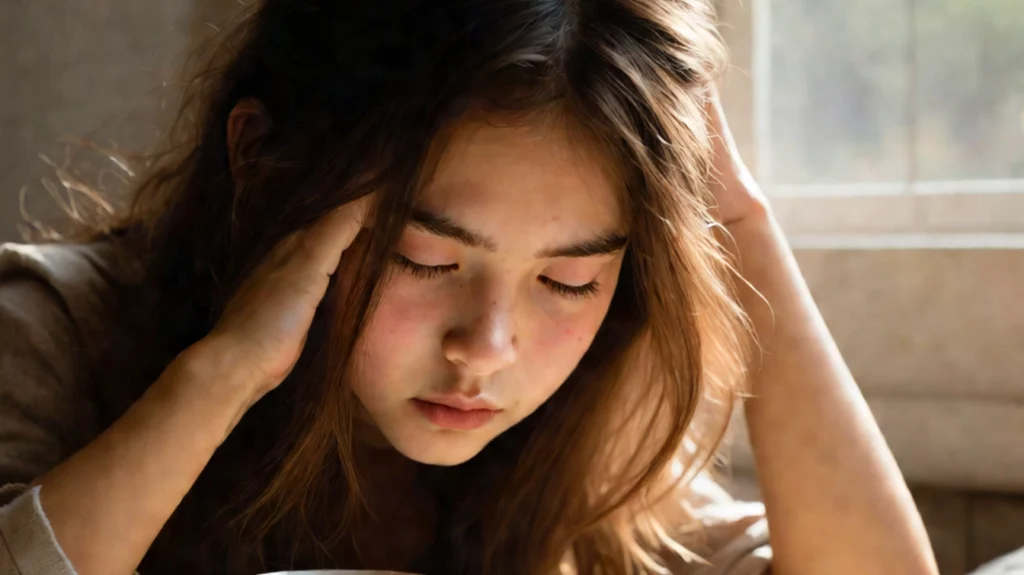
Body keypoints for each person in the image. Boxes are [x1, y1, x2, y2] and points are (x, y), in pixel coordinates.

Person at [0, 0, 938, 574]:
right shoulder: (55, 328)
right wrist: (221, 376)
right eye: (425, 260)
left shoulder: (581, 422)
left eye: (569, 278)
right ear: (260, 162)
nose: (487, 347)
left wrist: (740, 224)